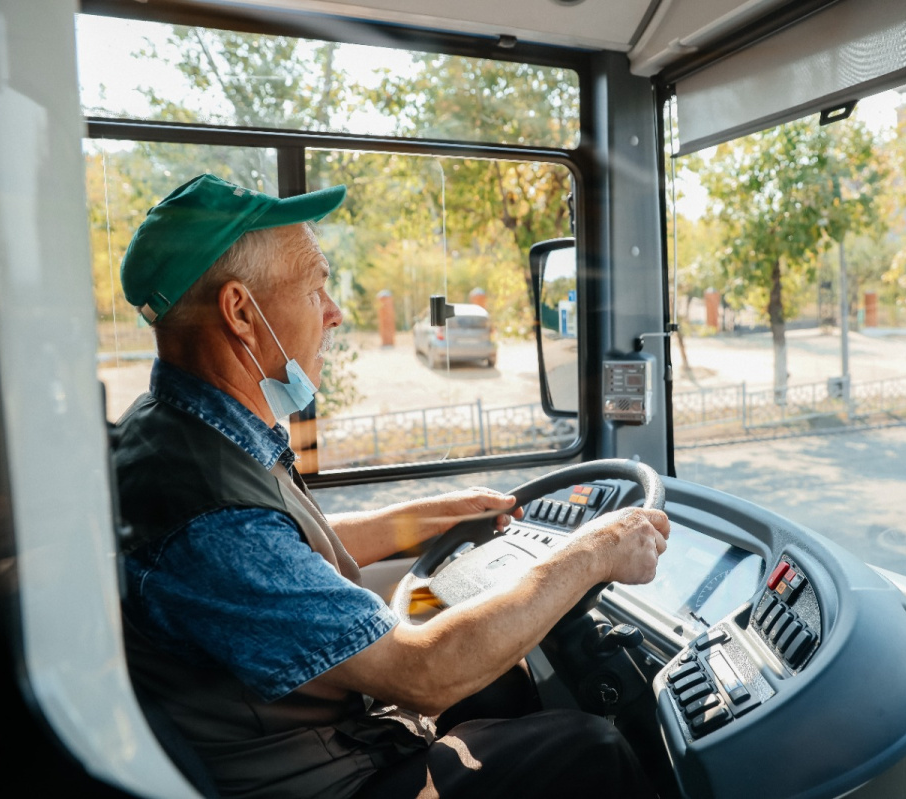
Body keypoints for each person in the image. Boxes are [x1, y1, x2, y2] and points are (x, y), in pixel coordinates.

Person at [111, 174, 671, 799]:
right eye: (316, 289)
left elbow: (286, 555)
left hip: (325, 742)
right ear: (241, 311)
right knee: (589, 751)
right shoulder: (209, 512)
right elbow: (423, 671)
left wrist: (424, 518)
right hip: (330, 779)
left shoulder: (176, 432)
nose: (335, 313)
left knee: (505, 686)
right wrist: (592, 552)